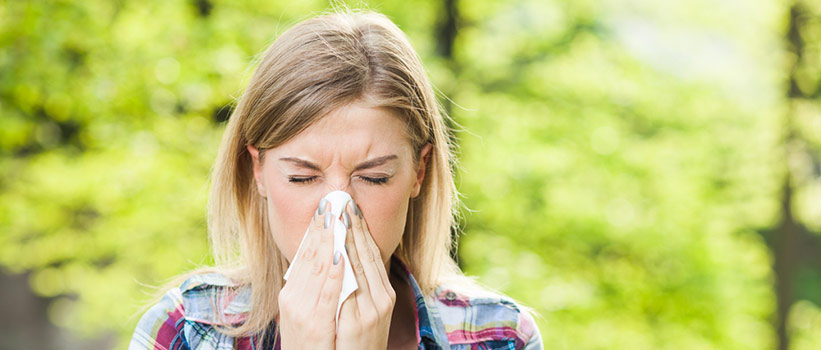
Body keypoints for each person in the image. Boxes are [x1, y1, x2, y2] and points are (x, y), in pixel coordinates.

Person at [130, 9, 542, 350]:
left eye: (375, 177)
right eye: (302, 178)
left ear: (419, 171)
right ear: (257, 171)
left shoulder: (499, 336)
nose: (338, 212)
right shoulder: (186, 331)